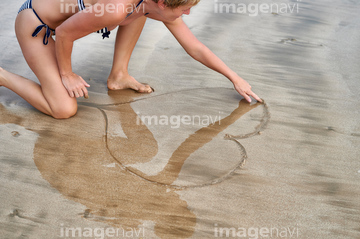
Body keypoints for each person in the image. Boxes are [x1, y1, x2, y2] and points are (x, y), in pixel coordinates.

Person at [0, 0, 262, 119]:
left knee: (139, 12)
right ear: (163, 3)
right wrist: (67, 74)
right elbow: (65, 32)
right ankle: (3, 76)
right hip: (37, 25)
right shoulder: (115, 9)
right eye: (185, 9)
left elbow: (195, 47)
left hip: (77, 21)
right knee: (64, 110)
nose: (189, 13)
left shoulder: (149, 4)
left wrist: (235, 78)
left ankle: (119, 75)